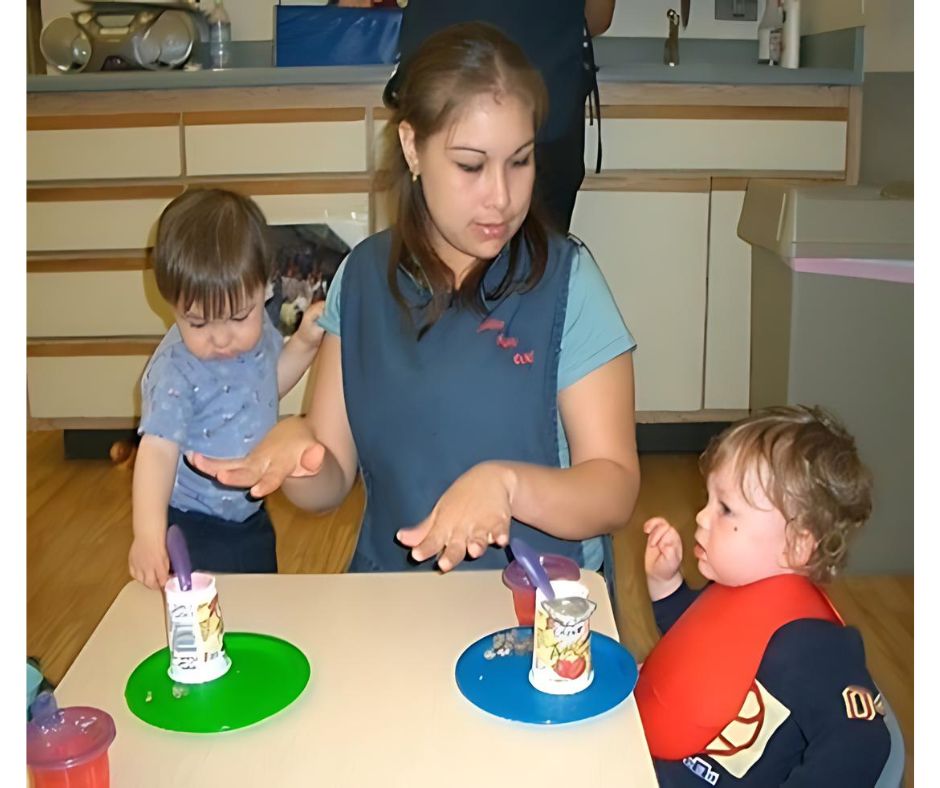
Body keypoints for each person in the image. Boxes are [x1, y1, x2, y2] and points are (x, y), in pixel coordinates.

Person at [191, 23, 640, 579]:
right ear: (412, 147)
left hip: (538, 610)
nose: (501, 197)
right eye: (471, 166)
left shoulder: (569, 283)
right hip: (394, 598)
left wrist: (509, 486)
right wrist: (298, 457)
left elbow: (614, 488)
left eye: (520, 161)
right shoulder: (361, 280)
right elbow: (331, 482)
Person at [636, 405, 890, 786]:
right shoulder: (734, 591)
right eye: (708, 500)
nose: (702, 517)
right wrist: (666, 584)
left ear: (796, 545)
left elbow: (864, 745)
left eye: (725, 509)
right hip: (650, 761)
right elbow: (693, 654)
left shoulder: (814, 647)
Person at [128, 189, 325, 590]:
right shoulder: (176, 371)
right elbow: (156, 454)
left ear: (264, 290)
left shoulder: (260, 333)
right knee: (205, 621)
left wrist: (303, 345)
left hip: (250, 512)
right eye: (197, 323)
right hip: (192, 524)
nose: (221, 338)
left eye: (238, 316)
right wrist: (148, 535)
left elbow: (266, 387)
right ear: (171, 304)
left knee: (261, 600)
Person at [379, 0, 616, 233]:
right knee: (539, 259)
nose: (499, 198)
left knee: (432, 251)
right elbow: (598, 19)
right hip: (545, 96)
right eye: (470, 166)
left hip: (436, 96)